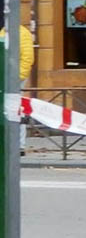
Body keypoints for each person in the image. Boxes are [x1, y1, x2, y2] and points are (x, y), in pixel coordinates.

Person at [1, 24, 35, 155]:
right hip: (5, 76)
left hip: (15, 78)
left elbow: (27, 58)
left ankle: (20, 145)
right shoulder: (3, 32)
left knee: (16, 109)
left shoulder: (22, 33)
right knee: (8, 109)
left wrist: (17, 77)